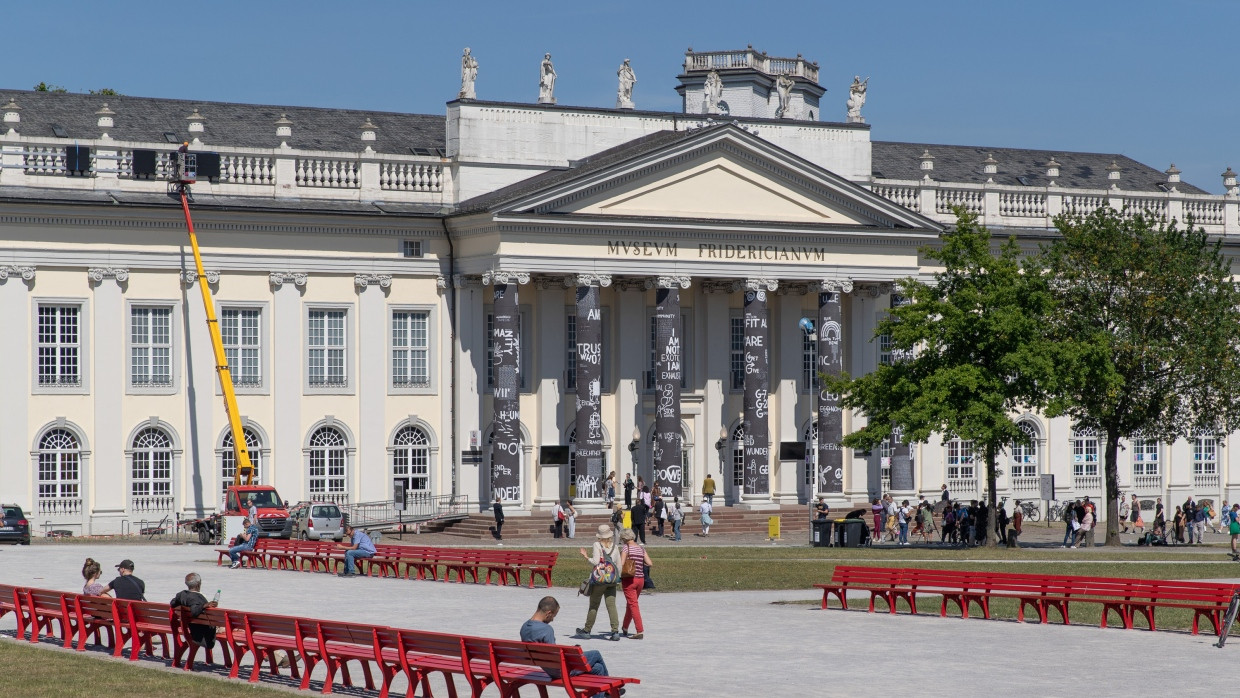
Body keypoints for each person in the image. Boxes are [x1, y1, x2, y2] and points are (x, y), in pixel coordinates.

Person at [520, 596, 619, 698]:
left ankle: (606, 694)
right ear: (548, 613)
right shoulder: (546, 629)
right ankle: (610, 691)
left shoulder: (524, 627)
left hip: (548, 669)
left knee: (598, 668)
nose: (553, 619)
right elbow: (556, 659)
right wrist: (570, 654)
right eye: (553, 616)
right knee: (596, 654)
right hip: (561, 671)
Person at [575, 525, 621, 641]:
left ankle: (587, 630)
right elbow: (618, 564)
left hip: (599, 581)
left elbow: (596, 562)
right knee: (611, 606)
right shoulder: (615, 547)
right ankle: (615, 631)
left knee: (594, 605)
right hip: (611, 580)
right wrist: (617, 579)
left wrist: (586, 557)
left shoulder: (597, 545)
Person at [170, 572, 219, 651]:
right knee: (227, 627)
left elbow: (172, 603)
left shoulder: (182, 595)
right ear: (198, 584)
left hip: (191, 626)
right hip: (202, 631)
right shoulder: (196, 598)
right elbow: (194, 611)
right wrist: (204, 605)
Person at [618, 528, 651, 639]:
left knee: (633, 605)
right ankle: (625, 627)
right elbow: (650, 563)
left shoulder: (626, 548)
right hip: (640, 580)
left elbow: (621, 564)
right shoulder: (641, 549)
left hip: (629, 579)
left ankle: (639, 630)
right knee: (631, 604)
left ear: (624, 538)